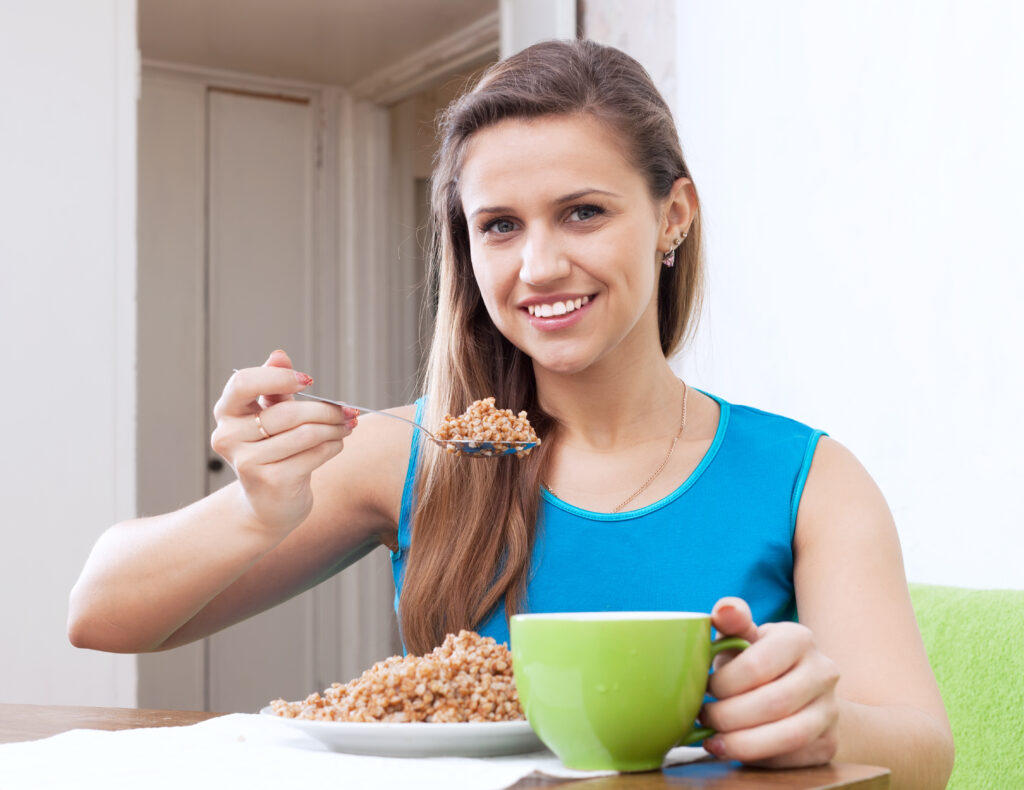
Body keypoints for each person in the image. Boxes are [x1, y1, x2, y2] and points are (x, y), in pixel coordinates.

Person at [69, 40, 953, 787]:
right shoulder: (417, 450)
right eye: (498, 225)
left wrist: (822, 719)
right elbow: (102, 612)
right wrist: (257, 508)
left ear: (671, 216)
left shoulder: (807, 478)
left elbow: (925, 749)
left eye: (582, 213)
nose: (538, 266)